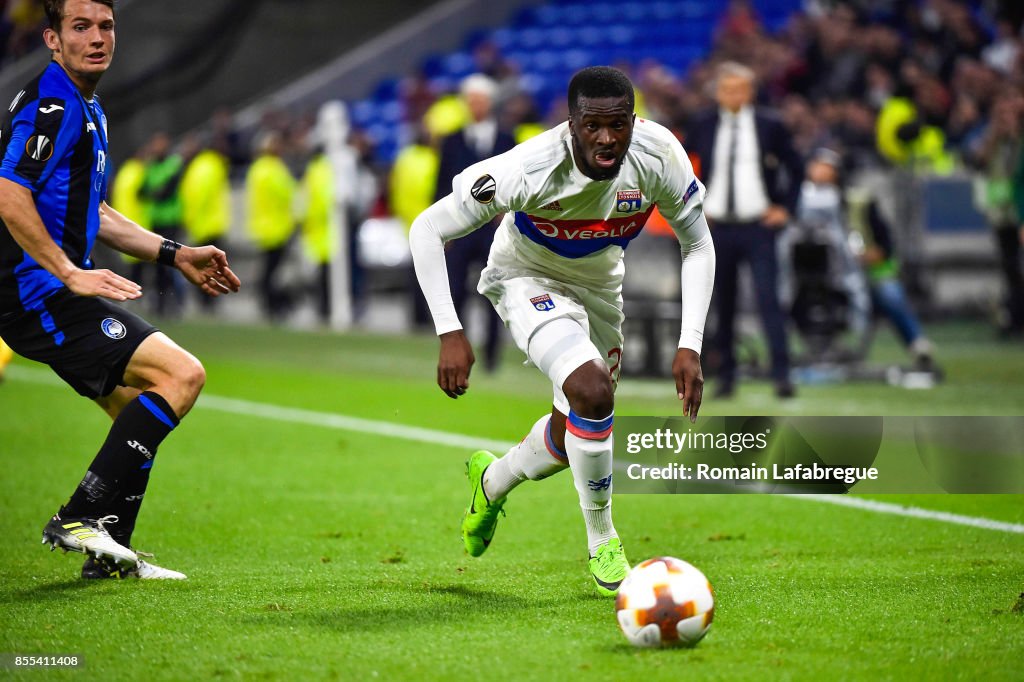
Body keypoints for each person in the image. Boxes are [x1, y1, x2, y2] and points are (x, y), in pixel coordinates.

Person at [409, 66, 715, 595]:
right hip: (526, 277)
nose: (606, 138)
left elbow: (698, 244)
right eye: (592, 125)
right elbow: (427, 228)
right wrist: (449, 329)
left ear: (632, 120)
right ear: (571, 123)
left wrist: (690, 342)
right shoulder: (526, 168)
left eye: (617, 124)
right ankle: (603, 540)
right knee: (592, 392)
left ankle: (492, 481)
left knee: (570, 426)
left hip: (600, 287)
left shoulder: (659, 154)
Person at [0, 0, 241, 580]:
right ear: (52, 40)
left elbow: (95, 211)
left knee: (134, 411)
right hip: (37, 292)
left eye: (106, 25)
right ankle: (77, 516)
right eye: (79, 27)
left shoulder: (88, 106)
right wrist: (69, 272)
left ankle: (111, 558)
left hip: (52, 289)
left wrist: (175, 252)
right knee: (182, 376)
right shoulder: (51, 105)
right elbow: (9, 193)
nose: (97, 37)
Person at [688, 61, 803, 398]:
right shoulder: (704, 124)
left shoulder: (770, 125)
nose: (733, 95)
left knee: (769, 299)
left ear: (750, 91)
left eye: (740, 88)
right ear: (718, 92)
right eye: (727, 89)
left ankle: (781, 374)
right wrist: (693, 209)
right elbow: (682, 168)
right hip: (717, 225)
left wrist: (785, 208)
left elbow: (796, 168)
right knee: (722, 304)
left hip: (758, 226)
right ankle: (726, 377)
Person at [433, 74, 517, 371]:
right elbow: (441, 184)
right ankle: (460, 351)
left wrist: (507, 214)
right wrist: (443, 229)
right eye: (471, 101)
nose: (476, 106)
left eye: (480, 101)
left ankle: (492, 356)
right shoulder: (452, 139)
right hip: (460, 228)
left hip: (494, 231)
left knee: (493, 292)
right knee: (455, 291)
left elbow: (518, 181)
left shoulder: (507, 138)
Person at [245, 130, 296, 321]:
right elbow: (286, 194)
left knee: (268, 268)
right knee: (273, 270)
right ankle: (272, 303)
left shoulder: (257, 168)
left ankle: (267, 302)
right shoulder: (273, 169)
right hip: (276, 226)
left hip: (264, 225)